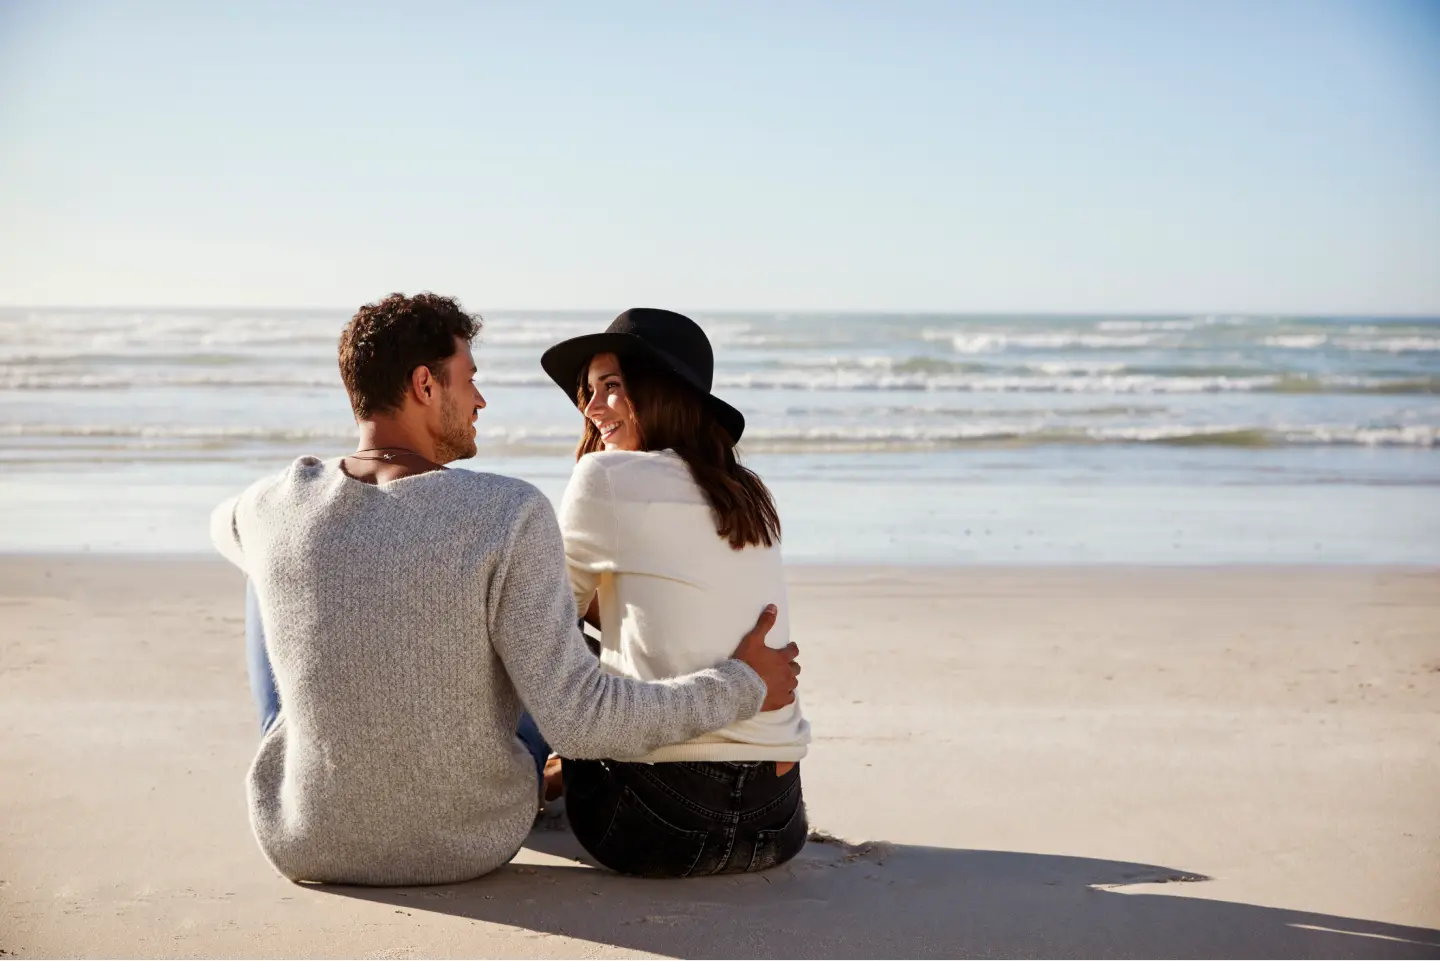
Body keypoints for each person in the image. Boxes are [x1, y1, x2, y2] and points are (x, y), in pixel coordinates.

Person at [209, 293, 800, 886]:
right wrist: (743, 683)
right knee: (546, 637)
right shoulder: (508, 511)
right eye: (470, 380)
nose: (481, 400)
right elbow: (578, 715)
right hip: (470, 839)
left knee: (267, 566)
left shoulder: (270, 503)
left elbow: (222, 525)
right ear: (425, 385)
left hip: (307, 838)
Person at [539, 307, 812, 878]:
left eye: (610, 388)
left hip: (658, 824)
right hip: (778, 820)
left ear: (658, 392)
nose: (590, 408)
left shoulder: (605, 478)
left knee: (542, 652)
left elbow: (538, 621)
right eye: (589, 392)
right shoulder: (747, 491)